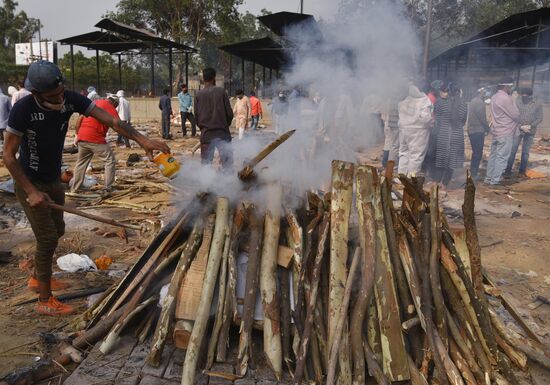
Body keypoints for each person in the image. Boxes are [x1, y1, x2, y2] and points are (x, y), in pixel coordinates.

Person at [2, 61, 169, 316]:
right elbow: (9, 157)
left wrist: (142, 140)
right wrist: (31, 191)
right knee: (46, 237)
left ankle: (38, 278)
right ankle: (45, 300)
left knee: (58, 229)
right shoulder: (23, 109)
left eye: (61, 92)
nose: (59, 99)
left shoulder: (69, 100)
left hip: (53, 178)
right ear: (36, 94)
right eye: (51, 96)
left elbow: (112, 121)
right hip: (30, 181)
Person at [71, 94, 120, 194]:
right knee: (110, 160)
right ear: (114, 103)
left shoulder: (95, 103)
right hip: (95, 138)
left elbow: (80, 118)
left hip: (82, 136)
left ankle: (75, 188)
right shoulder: (111, 108)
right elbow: (118, 125)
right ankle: (108, 188)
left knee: (81, 163)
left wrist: (77, 134)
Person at [194, 67, 234, 171]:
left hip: (206, 134)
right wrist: (225, 125)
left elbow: (196, 117)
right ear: (214, 77)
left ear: (203, 78)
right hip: (222, 133)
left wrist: (203, 128)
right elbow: (229, 114)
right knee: (227, 165)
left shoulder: (198, 94)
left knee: (206, 166)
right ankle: (230, 185)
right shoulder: (221, 92)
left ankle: (207, 185)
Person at [484, 77, 520, 186]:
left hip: (496, 131)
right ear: (506, 86)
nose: (511, 88)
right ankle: (495, 181)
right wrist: (513, 101)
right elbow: (516, 115)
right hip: (505, 132)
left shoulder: (494, 97)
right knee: (502, 157)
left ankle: (488, 178)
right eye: (510, 86)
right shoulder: (506, 98)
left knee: (493, 156)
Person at [433, 82, 468, 189]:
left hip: (442, 134)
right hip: (456, 135)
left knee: (441, 160)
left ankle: (436, 182)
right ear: (459, 91)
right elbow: (462, 120)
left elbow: (437, 118)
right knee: (451, 161)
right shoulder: (462, 103)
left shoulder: (440, 102)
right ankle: (444, 184)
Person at [504, 87, 543, 178]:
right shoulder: (517, 101)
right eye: (523, 96)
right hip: (518, 129)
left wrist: (530, 126)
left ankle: (521, 171)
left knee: (525, 152)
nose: (524, 98)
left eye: (526, 96)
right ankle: (507, 170)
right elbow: (513, 115)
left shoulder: (537, 104)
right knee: (513, 150)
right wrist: (520, 126)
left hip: (530, 131)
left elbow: (539, 118)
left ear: (530, 96)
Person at [397, 83, 433, 176]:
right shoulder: (424, 101)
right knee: (416, 156)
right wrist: (431, 121)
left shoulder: (404, 101)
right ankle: (410, 180)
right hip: (419, 131)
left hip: (403, 130)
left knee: (404, 153)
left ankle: (401, 177)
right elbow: (426, 118)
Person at [467, 87, 491, 179]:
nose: (486, 94)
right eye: (484, 92)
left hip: (472, 130)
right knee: (478, 153)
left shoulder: (473, 101)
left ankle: (473, 171)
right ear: (481, 93)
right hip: (477, 130)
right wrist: (487, 128)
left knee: (475, 152)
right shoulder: (479, 103)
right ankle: (474, 173)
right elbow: (482, 118)